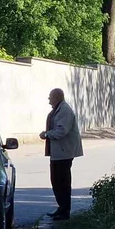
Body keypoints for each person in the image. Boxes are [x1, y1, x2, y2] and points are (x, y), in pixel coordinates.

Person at [39, 88, 83, 220]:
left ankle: (65, 210)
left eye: (50, 97)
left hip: (64, 152)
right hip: (58, 152)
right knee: (56, 180)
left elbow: (61, 131)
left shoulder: (64, 111)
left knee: (62, 181)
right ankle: (61, 207)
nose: (49, 101)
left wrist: (47, 134)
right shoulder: (59, 109)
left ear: (57, 97)